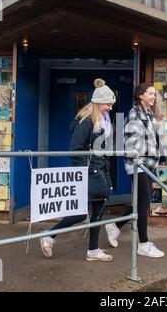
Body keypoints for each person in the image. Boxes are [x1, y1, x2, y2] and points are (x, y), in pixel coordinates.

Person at [40, 78, 116, 262]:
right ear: (97, 103)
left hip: (99, 172)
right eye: (108, 104)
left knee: (98, 211)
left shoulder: (103, 121)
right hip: (89, 174)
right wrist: (88, 170)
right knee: (81, 213)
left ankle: (93, 250)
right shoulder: (87, 122)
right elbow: (75, 149)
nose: (110, 108)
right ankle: (49, 236)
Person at [105, 82, 167, 258]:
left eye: (154, 94)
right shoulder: (135, 114)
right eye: (150, 94)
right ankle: (143, 244)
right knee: (143, 203)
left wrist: (162, 156)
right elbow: (132, 143)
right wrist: (144, 159)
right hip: (139, 165)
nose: (153, 97)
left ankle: (115, 226)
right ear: (140, 95)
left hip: (148, 165)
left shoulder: (149, 115)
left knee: (142, 202)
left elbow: (155, 139)